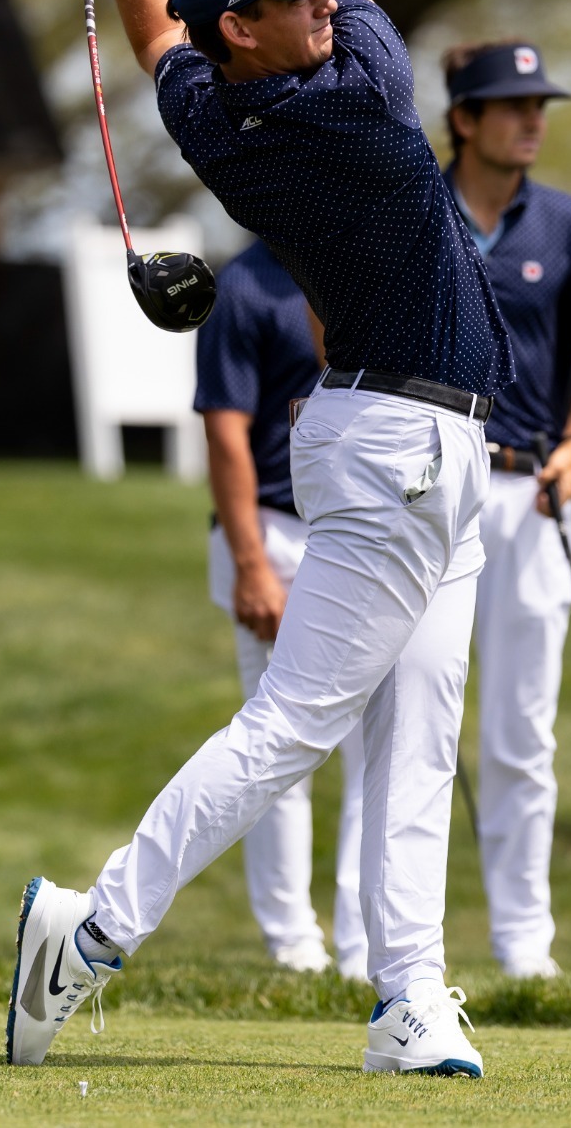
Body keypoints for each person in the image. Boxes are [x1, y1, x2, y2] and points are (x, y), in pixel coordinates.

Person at [8, 0, 514, 1077]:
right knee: (294, 723)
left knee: (419, 739)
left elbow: (153, 37)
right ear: (243, 26)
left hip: (423, 448)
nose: (322, 4)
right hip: (397, 447)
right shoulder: (362, 96)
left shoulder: (211, 108)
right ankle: (89, 931)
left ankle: (409, 1001)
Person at [438, 42, 571, 977]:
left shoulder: (569, 223)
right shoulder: (413, 205)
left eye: (540, 103)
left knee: (522, 731)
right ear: (464, 118)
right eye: (512, 105)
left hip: (533, 485)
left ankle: (523, 946)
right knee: (409, 724)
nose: (533, 119)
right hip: (428, 483)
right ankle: (384, 946)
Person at [195, 238, 366, 982]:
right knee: (280, 752)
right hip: (272, 530)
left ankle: (364, 946)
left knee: (372, 747)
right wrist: (251, 564)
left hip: (356, 527)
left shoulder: (355, 261)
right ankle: (293, 942)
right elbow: (224, 429)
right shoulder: (242, 285)